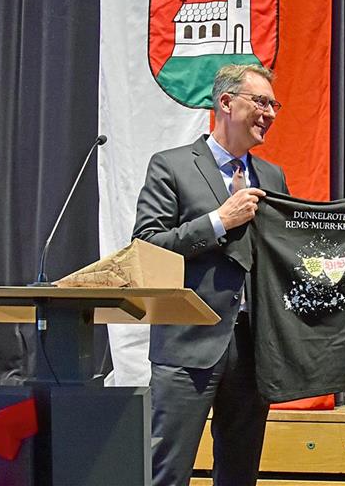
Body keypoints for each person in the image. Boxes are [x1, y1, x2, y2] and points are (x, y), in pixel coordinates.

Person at [132, 64, 289, 486]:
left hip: (253, 350)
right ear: (225, 102)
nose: (270, 113)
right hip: (187, 345)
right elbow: (147, 248)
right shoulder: (172, 166)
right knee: (167, 469)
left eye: (274, 104)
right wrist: (219, 221)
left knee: (240, 472)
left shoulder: (272, 176)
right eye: (260, 102)